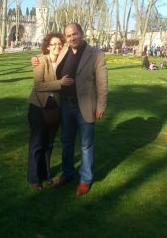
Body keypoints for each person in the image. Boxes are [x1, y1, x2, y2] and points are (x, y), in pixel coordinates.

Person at [32, 23, 108, 196]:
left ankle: (85, 180)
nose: (72, 38)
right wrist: (34, 59)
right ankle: (68, 173)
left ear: (81, 33)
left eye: (75, 34)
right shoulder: (64, 50)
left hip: (85, 106)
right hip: (65, 105)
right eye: (68, 35)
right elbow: (47, 56)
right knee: (66, 142)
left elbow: (102, 83)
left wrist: (101, 106)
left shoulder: (96, 54)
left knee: (86, 145)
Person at [27, 33, 74, 190]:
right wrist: (59, 83)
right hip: (38, 106)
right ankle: (34, 178)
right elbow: (39, 85)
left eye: (60, 44)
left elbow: (71, 45)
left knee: (49, 144)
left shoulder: (63, 61)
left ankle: (46, 175)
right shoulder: (40, 60)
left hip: (56, 107)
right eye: (53, 44)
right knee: (37, 143)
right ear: (47, 46)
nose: (57, 47)